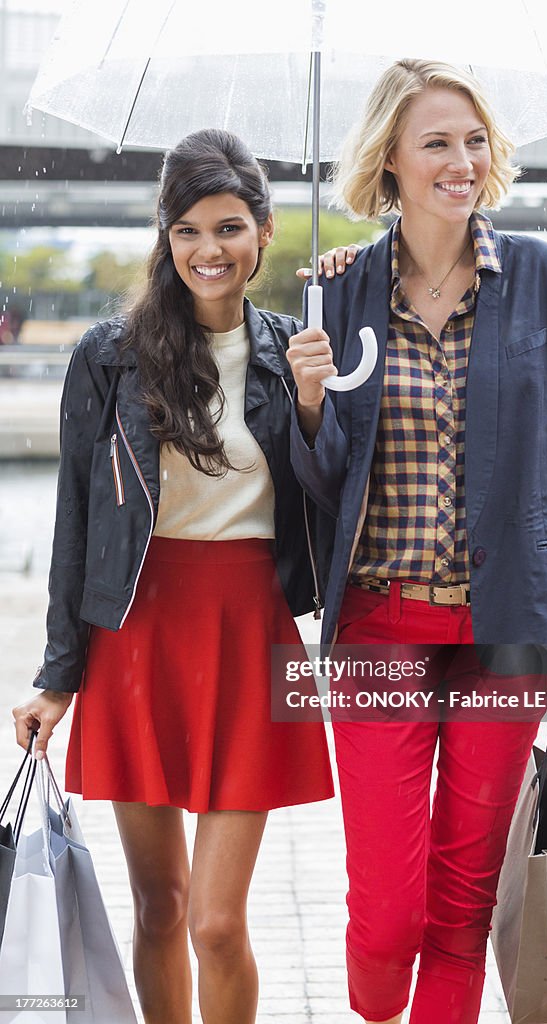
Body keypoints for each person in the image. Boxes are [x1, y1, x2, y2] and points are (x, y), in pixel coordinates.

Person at [286, 59, 547, 1024]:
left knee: (465, 901)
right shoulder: (335, 294)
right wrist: (308, 406)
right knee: (389, 909)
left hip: (507, 624)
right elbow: (317, 485)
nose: (460, 161)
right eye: (436, 142)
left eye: (472, 140)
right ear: (388, 159)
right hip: (377, 624)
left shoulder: (544, 281)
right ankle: (374, 1007)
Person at [11, 128, 336, 1024]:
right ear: (165, 237)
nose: (208, 250)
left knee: (217, 924)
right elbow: (73, 524)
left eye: (229, 227)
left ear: (264, 232)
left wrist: (311, 409)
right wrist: (56, 675)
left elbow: (334, 508)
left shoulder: (296, 352)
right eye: (187, 230)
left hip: (249, 630)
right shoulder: (109, 355)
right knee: (160, 907)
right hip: (137, 633)